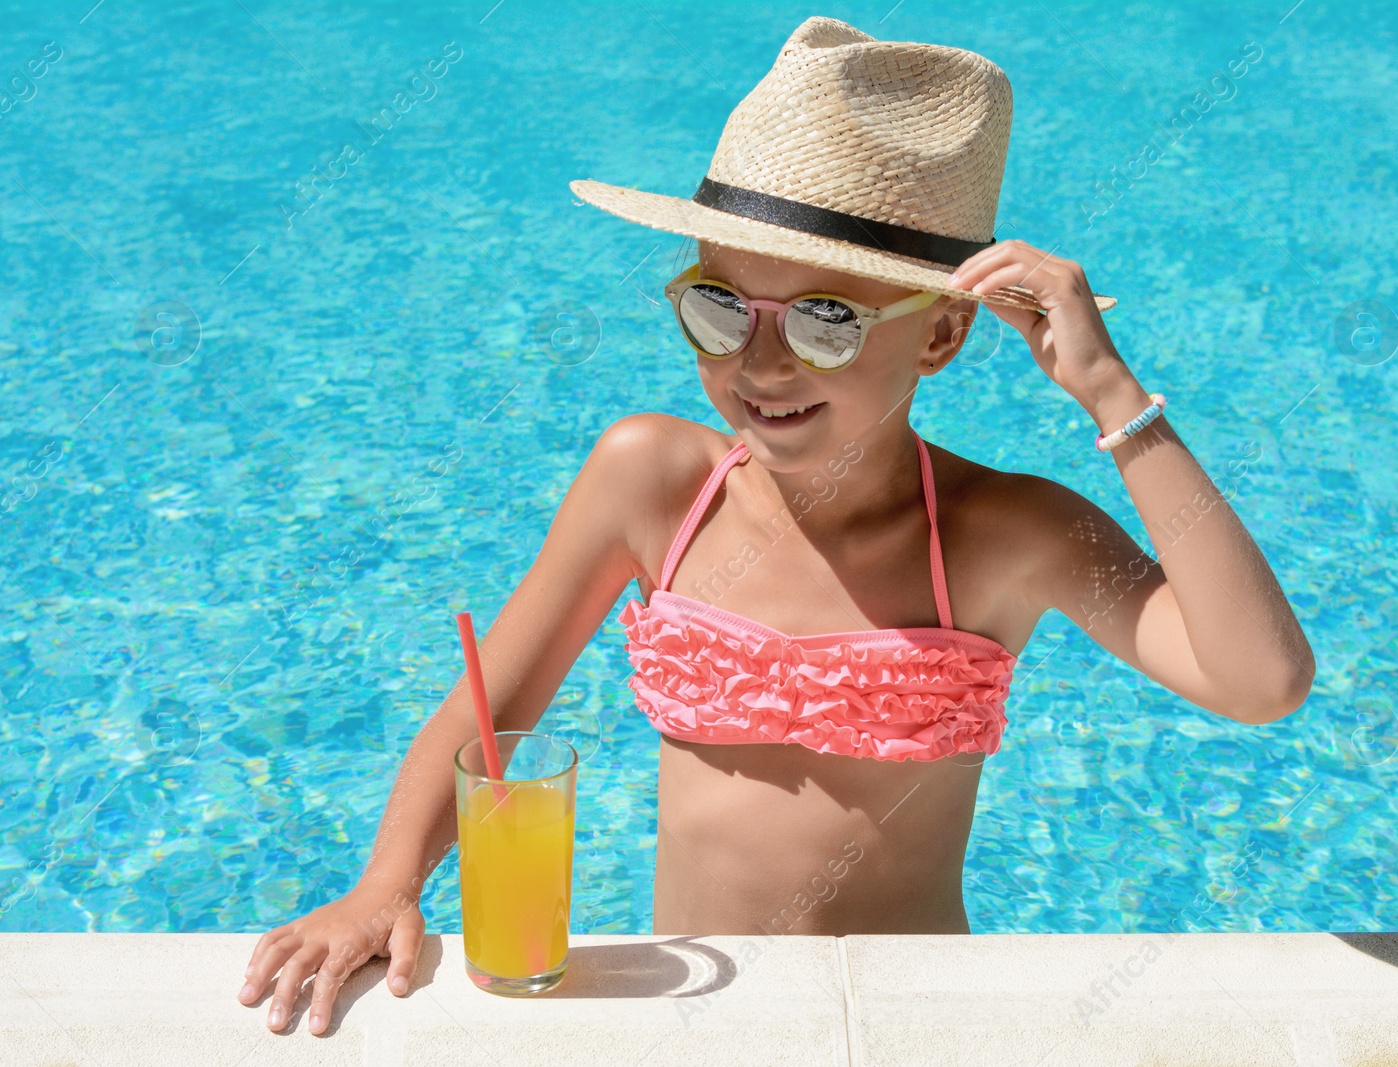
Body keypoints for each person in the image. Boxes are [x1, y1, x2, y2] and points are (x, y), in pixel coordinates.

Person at [239, 15, 1315, 1037]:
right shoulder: (651, 480)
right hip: (694, 1017)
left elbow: (1259, 679)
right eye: (719, 306)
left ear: (940, 333)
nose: (759, 366)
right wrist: (383, 886)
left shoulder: (1005, 534)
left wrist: (1115, 402)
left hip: (913, 1021)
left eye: (824, 319)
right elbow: (492, 708)